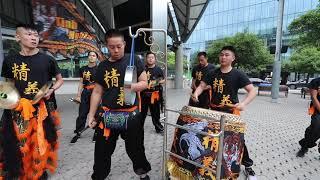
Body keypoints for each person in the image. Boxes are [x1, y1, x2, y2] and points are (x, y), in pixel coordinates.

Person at [0, 24, 63, 179]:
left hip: (42, 108)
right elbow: (8, 85)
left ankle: (40, 170)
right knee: (19, 141)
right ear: (17, 37)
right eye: (29, 34)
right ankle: (21, 169)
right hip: (19, 109)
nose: (34, 38)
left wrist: (51, 90)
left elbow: (59, 80)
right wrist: (7, 101)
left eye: (36, 35)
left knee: (42, 140)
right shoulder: (9, 60)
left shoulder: (47, 60)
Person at [87, 29, 151, 180]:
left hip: (130, 115)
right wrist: (90, 114)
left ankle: (143, 173)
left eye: (119, 46)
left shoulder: (134, 59)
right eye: (111, 47)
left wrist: (132, 87)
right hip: (108, 115)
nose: (115, 50)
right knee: (102, 150)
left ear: (124, 44)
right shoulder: (102, 66)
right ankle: (99, 176)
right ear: (106, 46)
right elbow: (97, 92)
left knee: (135, 148)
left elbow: (144, 83)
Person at [191, 46, 257, 180]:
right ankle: (213, 164)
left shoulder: (238, 74)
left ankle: (248, 166)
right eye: (221, 55)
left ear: (233, 58)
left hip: (231, 112)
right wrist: (196, 93)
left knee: (237, 140)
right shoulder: (212, 72)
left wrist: (243, 104)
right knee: (214, 138)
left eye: (227, 55)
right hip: (214, 111)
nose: (223, 57)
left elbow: (252, 90)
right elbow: (202, 86)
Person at [70, 51, 98, 143]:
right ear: (88, 57)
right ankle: (78, 131)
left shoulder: (99, 69)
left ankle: (97, 132)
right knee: (82, 112)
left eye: (94, 56)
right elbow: (81, 83)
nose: (91, 57)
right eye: (90, 55)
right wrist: (78, 95)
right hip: (85, 93)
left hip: (96, 92)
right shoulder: (83, 69)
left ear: (96, 58)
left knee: (97, 113)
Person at [140, 52, 165, 133]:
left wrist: (155, 83)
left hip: (154, 95)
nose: (150, 59)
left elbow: (163, 80)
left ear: (155, 59)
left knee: (155, 113)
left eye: (152, 57)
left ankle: (158, 127)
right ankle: (139, 128)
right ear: (146, 59)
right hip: (144, 94)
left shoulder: (158, 69)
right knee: (142, 113)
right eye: (149, 57)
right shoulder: (143, 69)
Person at [297, 77, 320, 157]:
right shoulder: (316, 82)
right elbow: (314, 97)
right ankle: (305, 146)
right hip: (318, 109)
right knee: (316, 127)